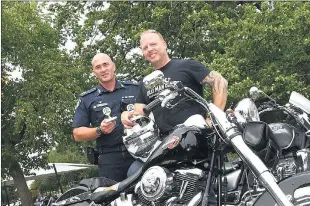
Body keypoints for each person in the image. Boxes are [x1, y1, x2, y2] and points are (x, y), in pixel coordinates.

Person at [121, 29, 228, 175]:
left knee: (209, 186)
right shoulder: (145, 82)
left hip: (198, 137)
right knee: (134, 173)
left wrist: (214, 116)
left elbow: (219, 81)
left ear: (164, 44)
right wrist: (126, 114)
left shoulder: (186, 65)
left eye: (153, 44)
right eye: (145, 48)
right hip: (167, 145)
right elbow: (139, 111)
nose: (150, 49)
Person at [72, 53, 139, 181]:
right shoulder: (87, 99)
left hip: (139, 151)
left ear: (113, 66)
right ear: (94, 72)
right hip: (110, 159)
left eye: (105, 64)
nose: (103, 70)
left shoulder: (134, 89)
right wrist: (99, 130)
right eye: (98, 67)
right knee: (114, 199)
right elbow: (77, 133)